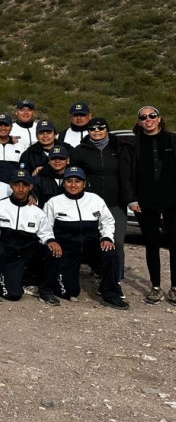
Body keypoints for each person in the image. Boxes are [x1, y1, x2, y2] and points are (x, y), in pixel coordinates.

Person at [44, 166, 127, 309]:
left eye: (77, 181)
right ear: (63, 183)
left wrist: (106, 237)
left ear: (84, 183)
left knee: (112, 252)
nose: (73, 185)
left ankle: (111, 293)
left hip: (91, 246)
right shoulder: (54, 202)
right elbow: (45, 227)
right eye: (69, 181)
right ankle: (56, 281)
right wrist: (51, 240)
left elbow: (108, 221)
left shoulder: (95, 199)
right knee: (70, 292)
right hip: (67, 249)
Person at [120, 105, 176, 305]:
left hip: (172, 201)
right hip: (145, 202)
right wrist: (131, 199)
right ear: (139, 121)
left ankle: (175, 287)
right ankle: (155, 286)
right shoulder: (132, 144)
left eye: (152, 116)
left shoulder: (172, 140)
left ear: (159, 119)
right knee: (151, 244)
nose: (148, 119)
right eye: (143, 117)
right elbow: (125, 175)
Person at [0, 168, 59, 304]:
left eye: (25, 185)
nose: (20, 189)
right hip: (8, 256)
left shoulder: (37, 212)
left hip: (26, 254)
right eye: (17, 184)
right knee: (13, 295)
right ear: (11, 185)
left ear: (31, 186)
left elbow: (46, 233)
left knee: (52, 250)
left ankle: (46, 291)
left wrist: (51, 241)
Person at [72, 117, 127, 273]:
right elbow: (71, 174)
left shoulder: (119, 147)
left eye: (100, 128)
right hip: (91, 203)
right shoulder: (80, 150)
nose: (96, 131)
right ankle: (98, 271)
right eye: (92, 129)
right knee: (95, 240)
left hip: (116, 202)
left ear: (107, 130)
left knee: (117, 241)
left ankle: (116, 278)